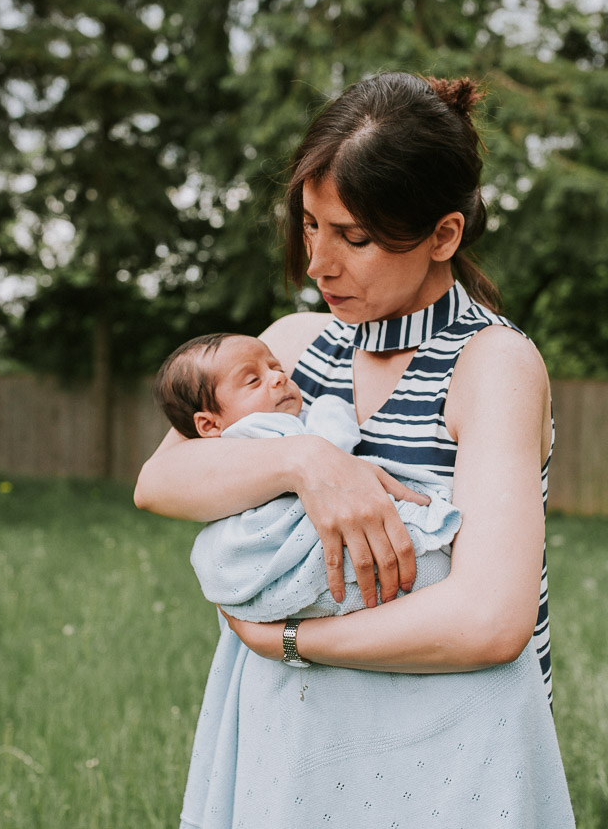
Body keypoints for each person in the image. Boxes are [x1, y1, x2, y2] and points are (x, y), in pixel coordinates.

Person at [135, 71, 573, 827]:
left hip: (447, 747)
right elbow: (160, 479)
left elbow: (491, 618)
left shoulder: (490, 364)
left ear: (444, 234)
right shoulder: (292, 351)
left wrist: (291, 640)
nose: (317, 264)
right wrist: (309, 461)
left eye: (355, 237)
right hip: (302, 741)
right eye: (310, 225)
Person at [153, 332, 462, 621]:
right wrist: (329, 409)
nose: (278, 377)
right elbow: (333, 452)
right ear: (209, 425)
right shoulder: (253, 432)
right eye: (253, 380)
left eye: (276, 367)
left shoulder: (279, 426)